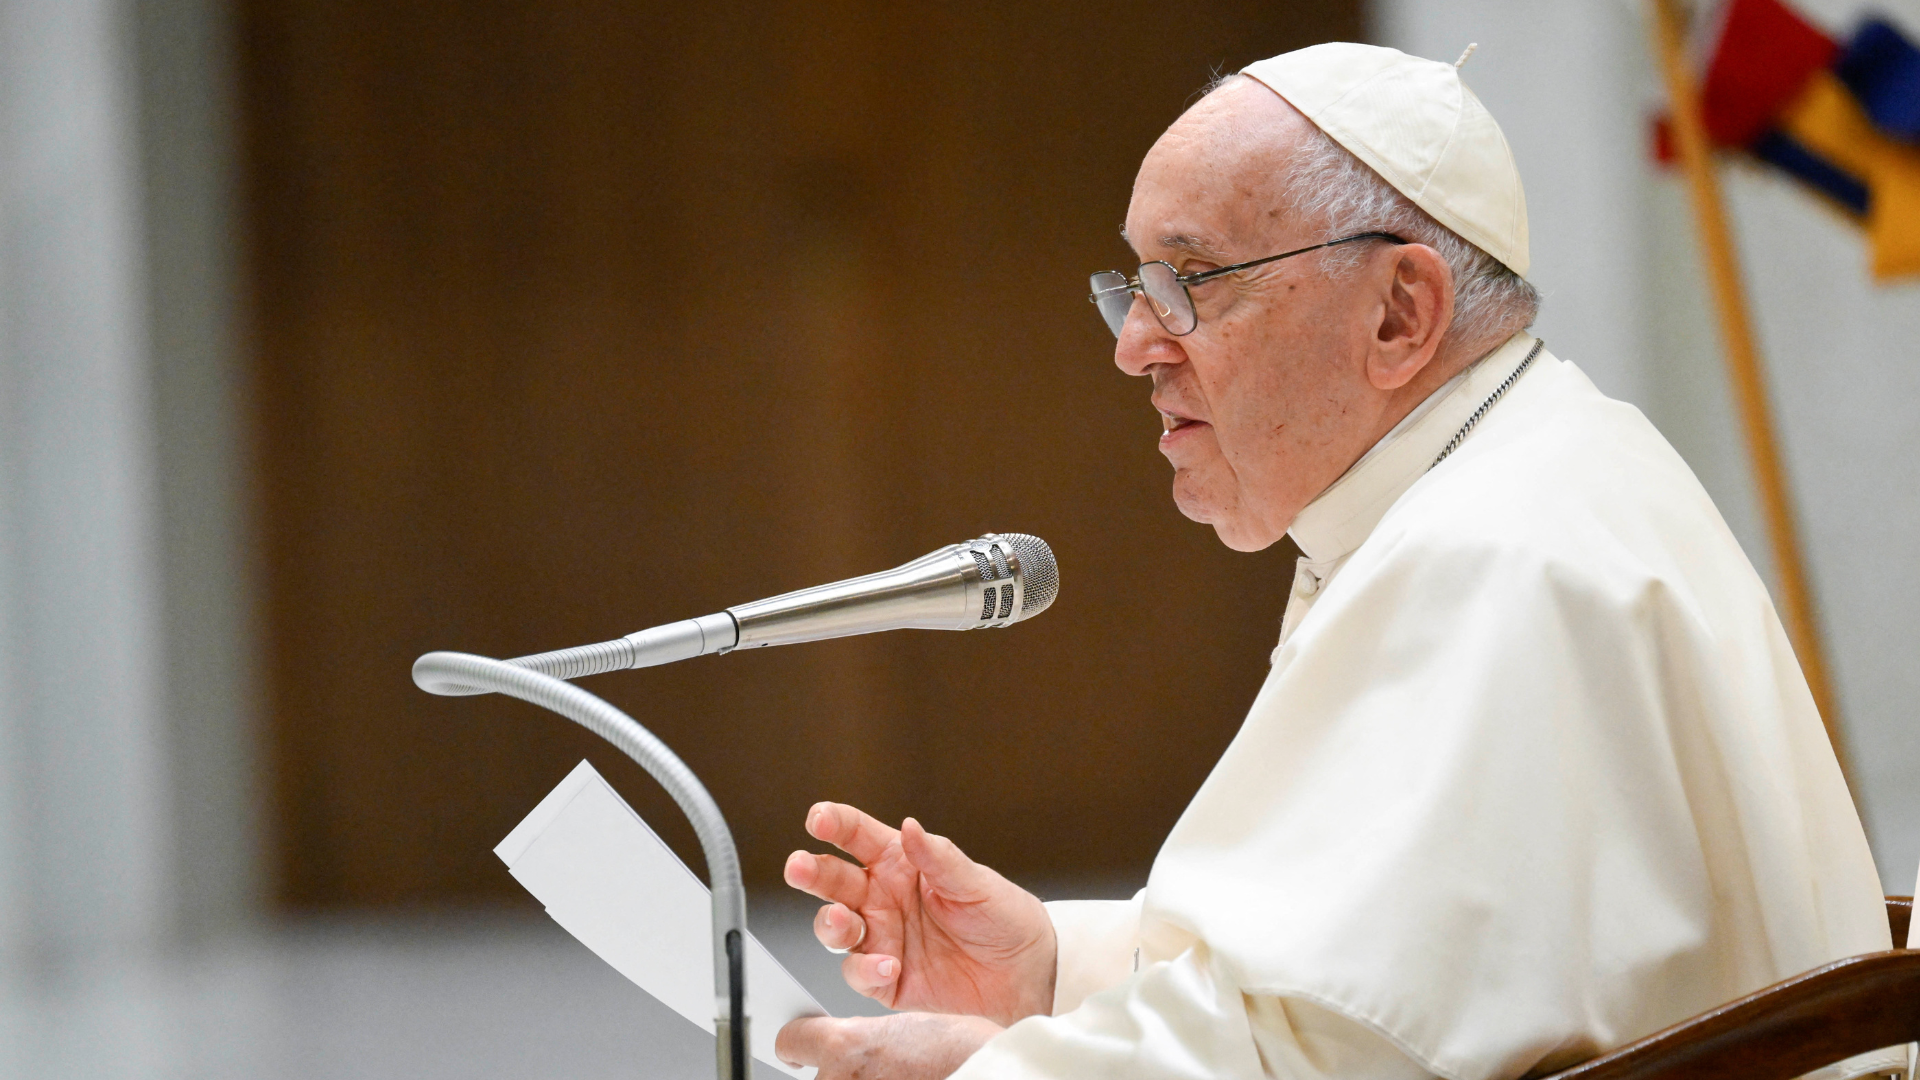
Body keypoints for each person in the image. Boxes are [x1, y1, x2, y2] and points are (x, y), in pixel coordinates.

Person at [774, 42, 1892, 1080]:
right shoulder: (1520, 475)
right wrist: (1052, 971)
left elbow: (1325, 1054)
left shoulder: (1496, 557)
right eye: (1132, 285)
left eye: (1191, 281)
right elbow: (1383, 982)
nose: (1133, 344)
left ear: (1401, 313)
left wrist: (982, 1069)